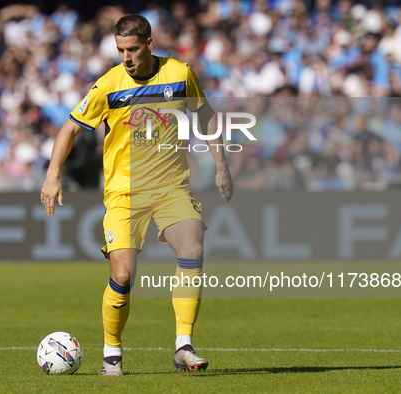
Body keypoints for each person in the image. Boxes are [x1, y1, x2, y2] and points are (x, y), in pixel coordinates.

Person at [40, 14, 233, 375]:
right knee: (124, 275)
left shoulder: (179, 74)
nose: (125, 58)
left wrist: (221, 164)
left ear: (149, 45)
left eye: (131, 49)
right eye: (120, 50)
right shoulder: (108, 86)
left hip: (171, 187)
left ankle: (183, 346)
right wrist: (52, 176)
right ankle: (111, 351)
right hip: (124, 194)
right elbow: (68, 128)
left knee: (192, 249)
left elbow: (205, 114)